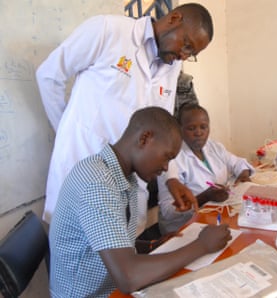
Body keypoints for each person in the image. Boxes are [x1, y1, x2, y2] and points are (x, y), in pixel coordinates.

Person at [36, 3, 213, 234]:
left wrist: (170, 179)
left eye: (191, 54)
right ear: (174, 19)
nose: (184, 55)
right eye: (187, 45)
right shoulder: (108, 30)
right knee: (76, 254)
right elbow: (49, 75)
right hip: (81, 166)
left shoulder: (171, 66)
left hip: (130, 183)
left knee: (123, 256)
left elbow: (164, 127)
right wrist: (69, 132)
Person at [48, 107, 232, 298]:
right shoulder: (97, 181)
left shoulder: (127, 178)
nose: (165, 167)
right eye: (167, 156)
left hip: (112, 287)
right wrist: (202, 245)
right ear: (144, 139)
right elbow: (129, 277)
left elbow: (109, 241)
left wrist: (151, 245)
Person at [157, 103, 254, 235]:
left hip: (216, 215)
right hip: (185, 228)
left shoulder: (214, 147)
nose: (199, 133)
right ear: (179, 129)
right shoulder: (171, 158)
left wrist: (243, 174)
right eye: (191, 128)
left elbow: (238, 163)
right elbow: (168, 211)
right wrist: (204, 197)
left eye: (204, 127)